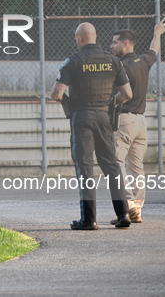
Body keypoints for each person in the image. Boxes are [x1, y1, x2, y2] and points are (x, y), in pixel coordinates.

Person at [51, 22, 133, 230]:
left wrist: (65, 101)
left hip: (82, 118)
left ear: (79, 38)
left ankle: (89, 219)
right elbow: (127, 95)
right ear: (95, 37)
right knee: (112, 166)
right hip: (105, 117)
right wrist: (111, 102)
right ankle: (123, 214)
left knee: (85, 168)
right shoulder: (113, 61)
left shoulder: (72, 62)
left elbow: (57, 93)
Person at [109, 18, 165, 224]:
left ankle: (127, 206)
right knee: (136, 166)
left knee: (116, 163)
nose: (111, 45)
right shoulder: (143, 61)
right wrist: (157, 33)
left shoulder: (119, 65)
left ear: (126, 43)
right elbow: (154, 49)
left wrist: (111, 104)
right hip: (141, 123)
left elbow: (124, 95)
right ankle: (136, 208)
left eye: (115, 42)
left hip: (124, 120)